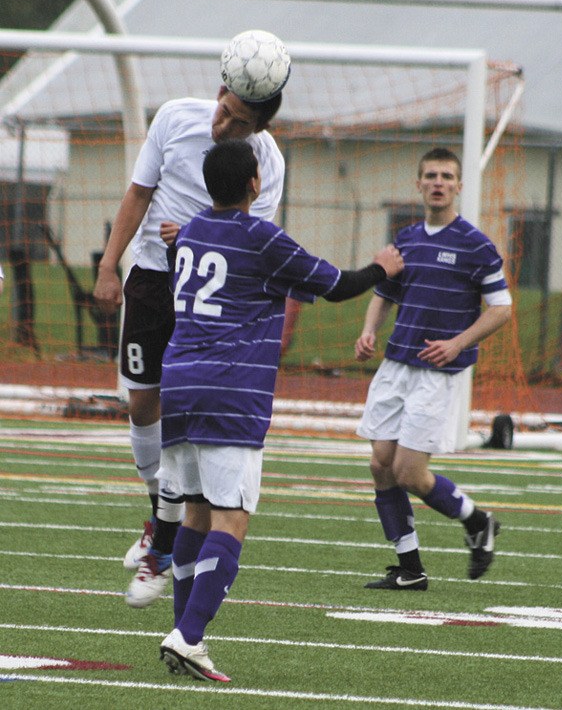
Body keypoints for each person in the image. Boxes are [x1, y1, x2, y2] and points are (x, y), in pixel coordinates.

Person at [157, 139, 404, 682]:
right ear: (255, 185)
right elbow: (338, 286)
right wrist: (381, 268)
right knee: (232, 517)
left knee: (195, 514)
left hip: (176, 387)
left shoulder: (193, 229)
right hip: (231, 393)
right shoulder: (260, 236)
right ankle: (188, 635)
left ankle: (185, 636)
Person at [93, 79, 286, 608]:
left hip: (206, 297)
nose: (222, 125)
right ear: (220, 90)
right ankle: (161, 516)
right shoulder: (175, 116)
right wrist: (111, 264)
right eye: (224, 111)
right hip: (154, 279)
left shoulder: (267, 161)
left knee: (183, 420)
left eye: (239, 123)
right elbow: (138, 193)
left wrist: (199, 234)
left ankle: (163, 537)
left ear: (259, 127)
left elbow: (250, 239)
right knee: (141, 404)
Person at [355, 147, 512, 590]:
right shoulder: (406, 239)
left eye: (446, 176)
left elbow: (501, 309)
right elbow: (384, 291)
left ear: (459, 185)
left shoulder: (476, 246)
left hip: (437, 373)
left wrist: (457, 343)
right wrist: (368, 331)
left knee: (408, 472)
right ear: (418, 183)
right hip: (395, 365)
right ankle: (410, 569)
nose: (438, 182)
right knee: (381, 464)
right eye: (430, 175)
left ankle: (478, 521)